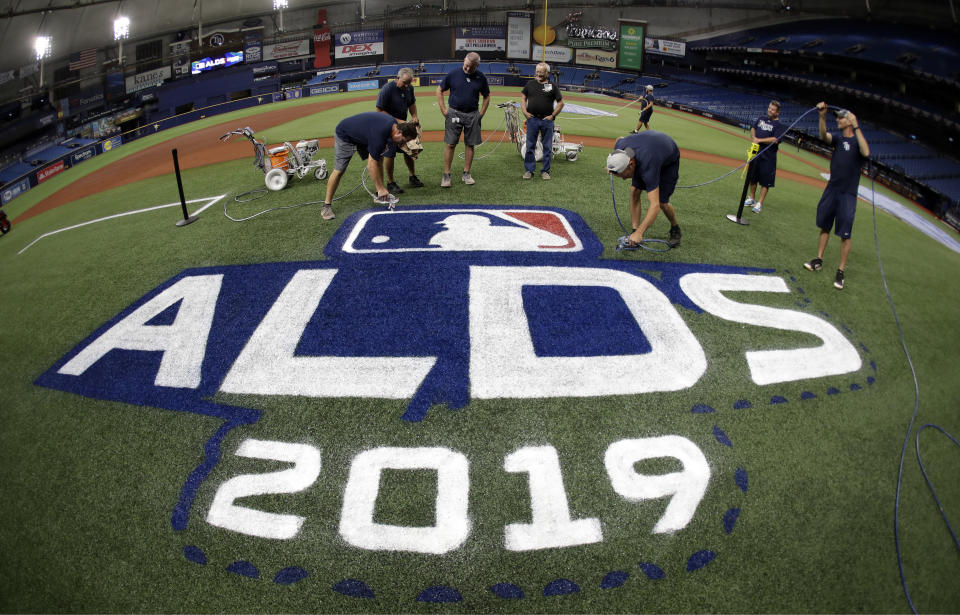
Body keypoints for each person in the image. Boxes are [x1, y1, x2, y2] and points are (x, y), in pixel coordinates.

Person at [802, 102, 870, 290]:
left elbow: (866, 152)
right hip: (831, 189)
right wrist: (822, 117)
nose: (838, 120)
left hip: (847, 195)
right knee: (824, 226)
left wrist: (856, 125)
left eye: (841, 118)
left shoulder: (857, 142)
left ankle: (840, 271)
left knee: (844, 234)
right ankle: (819, 259)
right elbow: (824, 136)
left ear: (849, 121)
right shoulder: (839, 140)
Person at [320, 111, 421, 221]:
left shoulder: (393, 126)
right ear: (398, 132)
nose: (403, 144)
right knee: (339, 170)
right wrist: (380, 188)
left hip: (363, 135)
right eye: (403, 141)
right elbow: (371, 165)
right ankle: (326, 206)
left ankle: (380, 195)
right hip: (345, 134)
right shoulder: (381, 133)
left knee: (379, 158)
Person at [605, 130, 683, 249]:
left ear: (631, 164)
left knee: (662, 202)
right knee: (634, 191)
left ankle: (675, 228)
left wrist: (640, 234)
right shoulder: (620, 148)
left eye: (623, 175)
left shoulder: (648, 166)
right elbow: (619, 138)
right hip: (649, 148)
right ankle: (634, 229)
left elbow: (654, 205)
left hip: (668, 158)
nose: (624, 179)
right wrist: (611, 166)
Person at [436, 52, 491, 187]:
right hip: (454, 113)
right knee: (450, 144)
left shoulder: (480, 77)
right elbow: (439, 90)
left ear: (476, 66)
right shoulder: (453, 74)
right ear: (464, 61)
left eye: (470, 67)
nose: (467, 69)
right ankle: (446, 175)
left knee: (470, 144)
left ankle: (466, 173)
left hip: (472, 114)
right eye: (466, 65)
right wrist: (444, 109)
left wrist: (481, 114)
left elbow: (487, 96)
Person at [376, 67, 424, 193]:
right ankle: (391, 183)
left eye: (409, 83)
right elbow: (379, 110)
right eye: (404, 82)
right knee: (390, 154)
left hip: (402, 126)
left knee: (408, 150)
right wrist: (398, 120)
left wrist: (414, 116)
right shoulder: (388, 89)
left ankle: (412, 176)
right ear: (397, 78)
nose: (407, 86)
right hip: (387, 126)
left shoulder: (409, 89)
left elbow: (412, 104)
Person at [520, 62, 564, 180]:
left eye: (541, 72)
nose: (538, 74)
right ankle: (529, 171)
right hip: (532, 119)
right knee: (530, 146)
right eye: (537, 71)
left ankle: (545, 171)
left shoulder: (552, 86)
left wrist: (552, 116)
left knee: (547, 147)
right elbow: (523, 98)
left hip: (546, 121)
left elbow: (561, 103)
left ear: (547, 73)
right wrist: (524, 111)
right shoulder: (530, 84)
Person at [744, 100, 787, 214]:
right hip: (755, 153)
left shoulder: (779, 126)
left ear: (777, 113)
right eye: (769, 108)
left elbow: (775, 140)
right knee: (752, 177)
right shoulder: (761, 119)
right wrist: (754, 137)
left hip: (768, 157)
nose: (769, 110)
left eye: (772, 109)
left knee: (765, 181)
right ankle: (752, 198)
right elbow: (753, 128)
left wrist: (759, 140)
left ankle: (759, 203)